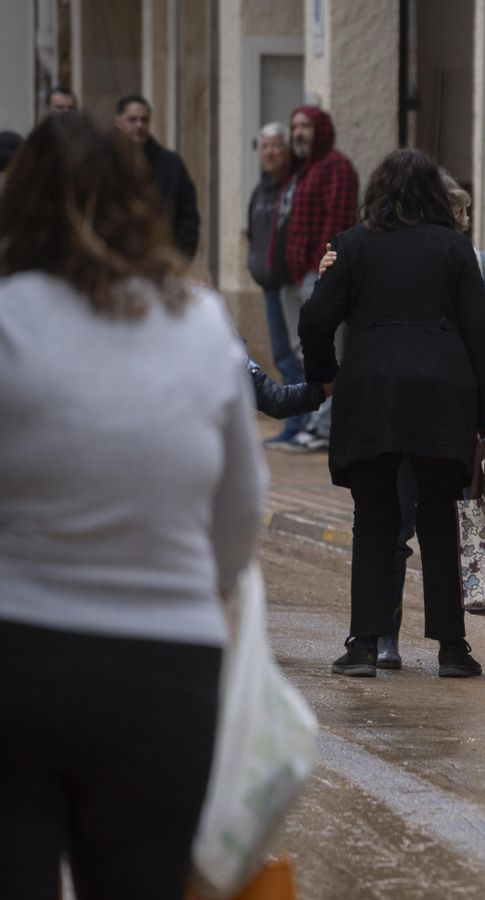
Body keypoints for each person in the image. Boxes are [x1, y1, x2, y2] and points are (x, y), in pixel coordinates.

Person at [0, 114, 264, 898]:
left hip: (19, 654)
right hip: (166, 667)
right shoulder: (200, 322)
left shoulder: (8, 317)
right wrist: (189, 583)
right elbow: (241, 512)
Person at [298, 148, 485, 680]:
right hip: (442, 396)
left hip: (371, 394)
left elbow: (316, 317)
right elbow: (482, 336)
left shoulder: (351, 247)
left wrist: (325, 375)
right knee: (438, 519)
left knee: (375, 520)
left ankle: (364, 644)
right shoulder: (455, 251)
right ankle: (452, 649)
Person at [281, 104, 360, 450]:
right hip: (301, 272)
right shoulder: (303, 169)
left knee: (327, 348)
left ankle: (325, 426)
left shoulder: (336, 167)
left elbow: (338, 221)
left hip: (321, 271)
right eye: (294, 126)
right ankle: (316, 421)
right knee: (305, 350)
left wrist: (323, 269)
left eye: (305, 127)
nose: (298, 133)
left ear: (321, 130)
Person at [247, 121, 310, 448]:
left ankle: (302, 427)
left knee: (298, 357)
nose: (270, 152)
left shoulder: (294, 187)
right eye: (265, 146)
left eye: (277, 145)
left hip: (291, 284)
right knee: (283, 356)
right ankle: (292, 426)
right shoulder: (262, 190)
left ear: (288, 151)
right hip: (270, 285)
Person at [113, 94, 199, 261]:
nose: (139, 126)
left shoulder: (171, 165)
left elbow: (187, 216)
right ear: (118, 122)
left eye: (144, 120)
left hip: (160, 264)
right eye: (132, 120)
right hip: (116, 264)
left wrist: (178, 257)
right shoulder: (103, 162)